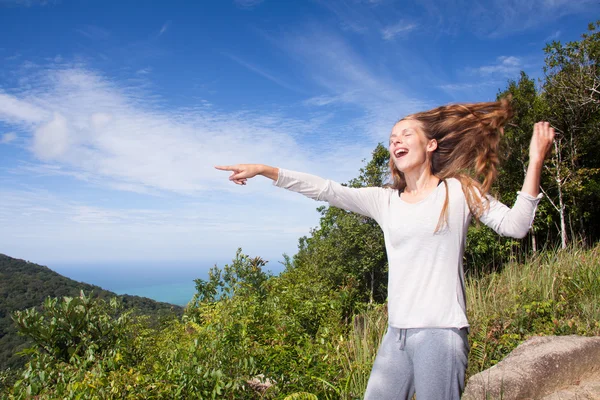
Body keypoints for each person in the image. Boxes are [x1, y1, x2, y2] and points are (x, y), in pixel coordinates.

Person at [215, 98, 555, 400]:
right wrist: (265, 170)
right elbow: (327, 190)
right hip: (396, 335)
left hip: (441, 332)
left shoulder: (458, 191)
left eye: (406, 134)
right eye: (393, 138)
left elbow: (516, 226)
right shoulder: (385, 201)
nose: (396, 140)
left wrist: (535, 159)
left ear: (431, 144)